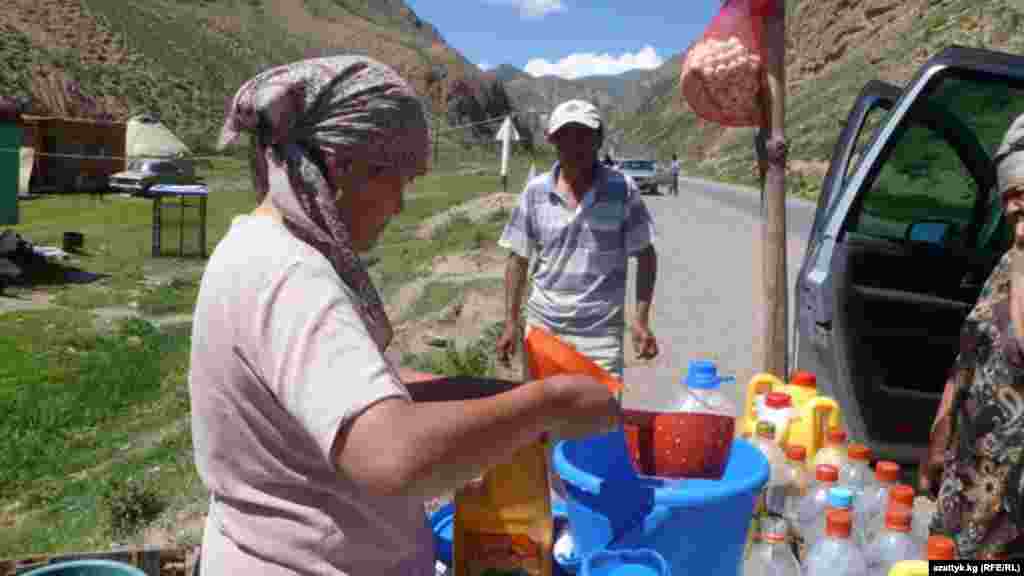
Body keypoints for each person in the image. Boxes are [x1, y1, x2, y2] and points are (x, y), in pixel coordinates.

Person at [189, 56, 619, 576]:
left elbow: (354, 394)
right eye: (399, 180)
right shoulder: (289, 274)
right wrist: (550, 402)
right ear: (343, 165)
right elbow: (391, 455)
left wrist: (491, 399)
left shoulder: (262, 248)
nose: (400, 205)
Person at [495, 98, 660, 381]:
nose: (574, 146)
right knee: (541, 419)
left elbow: (646, 255)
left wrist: (641, 321)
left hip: (601, 338)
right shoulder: (535, 192)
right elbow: (517, 259)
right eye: (565, 137)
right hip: (543, 330)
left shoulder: (622, 189)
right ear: (552, 140)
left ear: (598, 140)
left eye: (583, 136)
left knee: (599, 420)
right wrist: (511, 322)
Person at [920, 112, 1024, 560]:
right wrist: (939, 436)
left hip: (1010, 516)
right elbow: (971, 351)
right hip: (966, 489)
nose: (1019, 226)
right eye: (1014, 203)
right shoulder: (1008, 262)